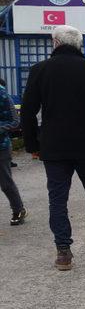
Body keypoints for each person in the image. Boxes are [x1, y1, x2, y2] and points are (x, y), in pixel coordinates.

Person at [21, 25, 85, 271]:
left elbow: (28, 111)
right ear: (78, 45)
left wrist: (32, 144)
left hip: (53, 144)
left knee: (57, 198)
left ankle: (63, 251)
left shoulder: (39, 70)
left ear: (55, 42)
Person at [0, 79, 27, 226]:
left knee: (5, 183)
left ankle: (18, 209)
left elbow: (15, 121)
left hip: (1, 146)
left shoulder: (2, 94)